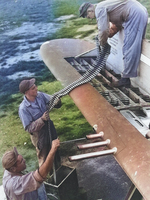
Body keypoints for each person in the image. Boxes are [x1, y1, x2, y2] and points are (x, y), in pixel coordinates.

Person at [79, 0, 148, 88]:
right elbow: (117, 21)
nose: (90, 19)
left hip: (135, 13)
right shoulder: (103, 6)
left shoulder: (99, 9)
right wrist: (110, 34)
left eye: (88, 17)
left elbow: (103, 30)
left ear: (89, 11)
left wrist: (102, 43)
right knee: (137, 44)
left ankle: (125, 80)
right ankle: (130, 75)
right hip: (139, 10)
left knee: (129, 47)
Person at [18, 78, 61, 167]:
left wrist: (57, 101)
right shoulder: (23, 108)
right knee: (44, 158)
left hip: (49, 128)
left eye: (35, 86)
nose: (36, 88)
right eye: (33, 88)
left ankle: (59, 171)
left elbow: (52, 100)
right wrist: (41, 120)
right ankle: (45, 178)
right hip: (39, 135)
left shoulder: (40, 95)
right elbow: (28, 128)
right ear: (27, 92)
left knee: (55, 151)